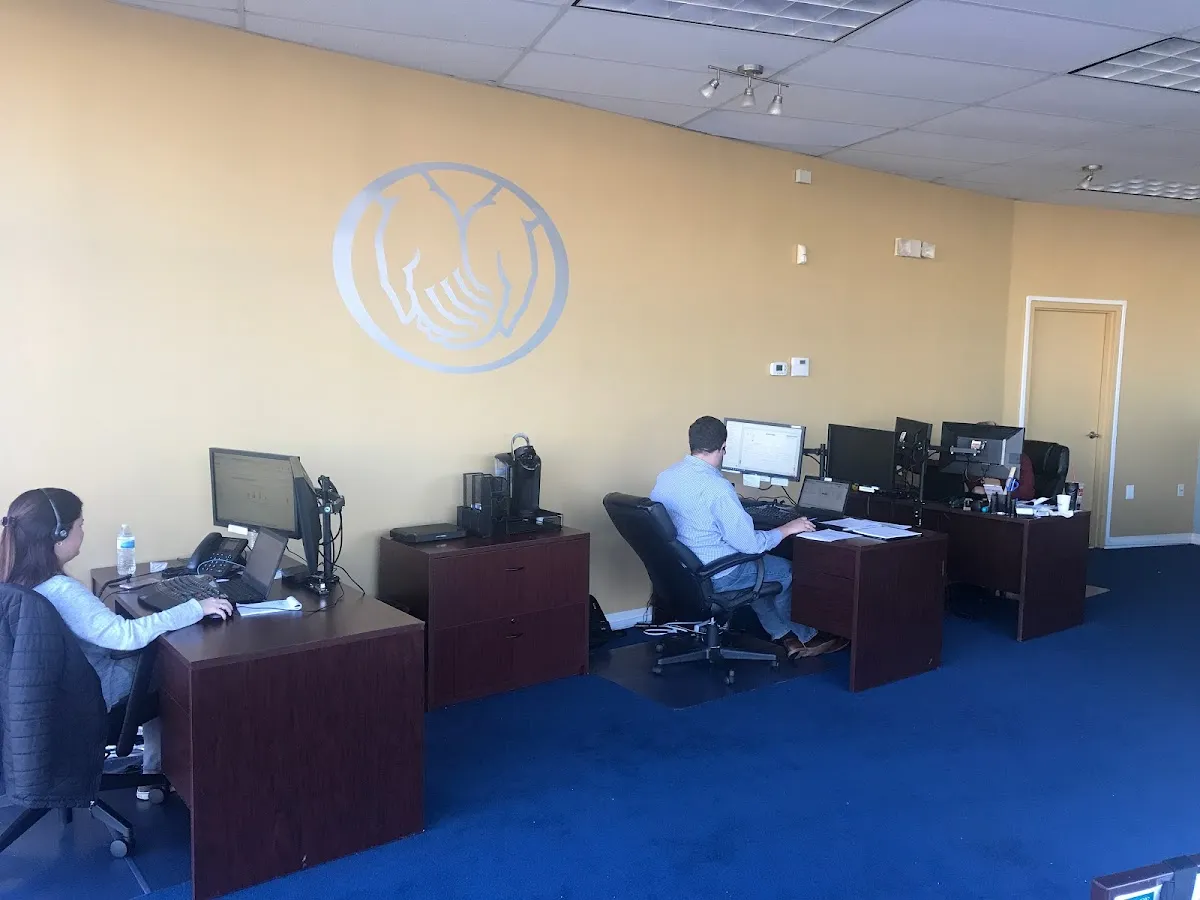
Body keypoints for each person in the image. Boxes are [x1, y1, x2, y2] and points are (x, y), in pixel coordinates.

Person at [0, 488, 232, 797]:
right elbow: (125, 636)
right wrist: (195, 608)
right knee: (171, 664)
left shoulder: (11, 580)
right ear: (60, 535)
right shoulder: (61, 591)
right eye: (80, 525)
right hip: (87, 696)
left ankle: (155, 768)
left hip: (42, 702)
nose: (84, 532)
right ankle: (156, 774)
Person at [650, 417, 847, 660]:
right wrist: (788, 528)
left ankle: (785, 636)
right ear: (723, 447)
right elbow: (751, 545)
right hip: (718, 574)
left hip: (683, 570)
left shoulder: (667, 477)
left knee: (759, 576)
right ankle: (807, 637)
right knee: (786, 571)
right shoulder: (718, 488)